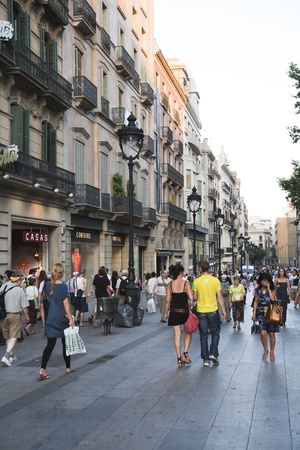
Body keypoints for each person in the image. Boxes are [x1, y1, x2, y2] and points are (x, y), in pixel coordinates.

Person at [38, 263, 75, 380]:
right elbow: (65, 304)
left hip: (51, 318)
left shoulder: (47, 286)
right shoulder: (63, 287)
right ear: (62, 273)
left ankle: (42, 369)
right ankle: (68, 367)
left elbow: (49, 299)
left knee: (50, 345)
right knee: (65, 344)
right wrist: (71, 318)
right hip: (61, 319)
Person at [193, 260, 226, 367]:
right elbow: (219, 296)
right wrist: (223, 310)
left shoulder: (196, 281)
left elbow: (194, 297)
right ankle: (213, 353)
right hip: (213, 310)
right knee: (215, 333)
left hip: (201, 311)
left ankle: (205, 359)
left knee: (203, 335)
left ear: (201, 269)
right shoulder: (215, 280)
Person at [165, 264, 194, 367]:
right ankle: (185, 353)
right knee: (188, 332)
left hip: (173, 311)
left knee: (177, 334)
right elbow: (191, 297)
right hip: (184, 311)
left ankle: (178, 358)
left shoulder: (170, 285)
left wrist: (165, 313)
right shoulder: (186, 283)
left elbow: (168, 300)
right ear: (181, 273)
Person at [1, 273, 29, 367]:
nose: (21, 282)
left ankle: (12, 356)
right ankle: (6, 355)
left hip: (3, 316)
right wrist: (27, 316)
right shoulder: (19, 290)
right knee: (14, 336)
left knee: (8, 336)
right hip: (14, 315)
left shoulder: (3, 287)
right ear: (17, 280)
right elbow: (24, 306)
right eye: (20, 280)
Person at [252, 272, 278, 361]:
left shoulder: (272, 289)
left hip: (271, 313)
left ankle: (272, 352)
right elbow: (255, 301)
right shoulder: (258, 290)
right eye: (262, 280)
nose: (264, 282)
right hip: (261, 313)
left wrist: (269, 289)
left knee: (272, 334)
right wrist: (254, 312)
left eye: (266, 280)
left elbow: (273, 299)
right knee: (263, 333)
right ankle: (265, 350)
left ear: (269, 281)